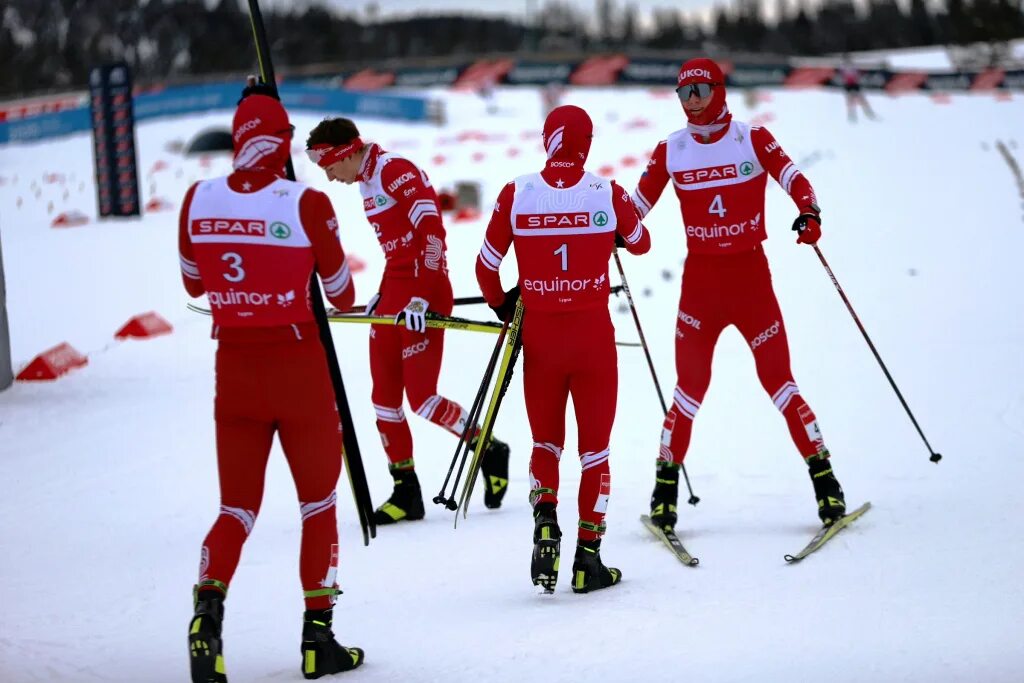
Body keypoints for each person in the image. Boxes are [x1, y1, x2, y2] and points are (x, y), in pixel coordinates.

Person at [178, 91, 363, 681]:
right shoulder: (305, 200)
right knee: (319, 505)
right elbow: (342, 293)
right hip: (298, 366)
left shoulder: (195, 199)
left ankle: (207, 617)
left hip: (233, 367)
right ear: (283, 143)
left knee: (236, 508)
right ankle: (318, 640)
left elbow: (193, 283)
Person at [631, 58, 847, 533]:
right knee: (688, 392)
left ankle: (826, 480)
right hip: (700, 288)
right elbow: (636, 208)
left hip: (751, 280)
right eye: (683, 93)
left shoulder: (753, 138)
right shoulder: (672, 149)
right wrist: (599, 222)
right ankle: (664, 492)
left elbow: (794, 178)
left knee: (780, 383)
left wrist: (809, 213)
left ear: (720, 90)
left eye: (700, 91)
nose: (692, 101)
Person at [476, 105, 651, 593]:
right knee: (594, 452)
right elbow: (642, 243)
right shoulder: (606, 190)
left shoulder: (517, 192)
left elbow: (484, 269)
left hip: (541, 339)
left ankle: (546, 517)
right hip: (593, 339)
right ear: (586, 143)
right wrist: (609, 230)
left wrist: (504, 306)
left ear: (548, 139)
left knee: (546, 443)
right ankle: (588, 560)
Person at [304, 118, 510, 524]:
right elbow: (397, 249)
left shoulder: (395, 170)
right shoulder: (364, 181)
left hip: (426, 289)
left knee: (422, 399)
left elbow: (432, 235)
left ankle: (487, 447)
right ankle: (406, 492)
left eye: (329, 166)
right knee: (383, 400)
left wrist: (420, 296)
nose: (329, 178)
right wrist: (385, 291)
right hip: (395, 290)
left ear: (345, 152)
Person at [839, 58, 876, 123]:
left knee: (857, 100)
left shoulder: (846, 68)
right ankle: (864, 112)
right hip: (852, 84)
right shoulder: (848, 67)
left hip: (851, 85)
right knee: (857, 100)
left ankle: (866, 112)